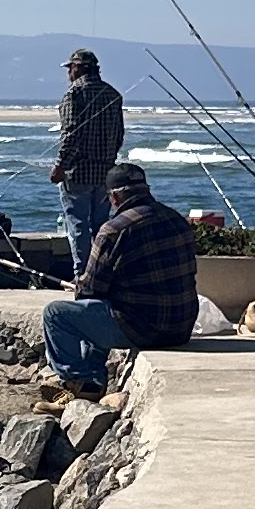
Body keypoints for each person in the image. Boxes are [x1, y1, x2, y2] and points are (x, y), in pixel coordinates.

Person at [41, 160, 197, 397]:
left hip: (143, 329)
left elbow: (89, 288)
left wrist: (79, 284)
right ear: (147, 190)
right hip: (181, 326)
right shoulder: (177, 220)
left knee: (56, 314)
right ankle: (94, 380)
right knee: (102, 308)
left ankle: (78, 380)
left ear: (112, 198)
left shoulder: (114, 229)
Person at [49, 49, 125, 277]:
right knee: (103, 226)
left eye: (70, 68)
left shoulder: (75, 94)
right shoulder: (113, 94)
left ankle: (82, 273)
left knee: (78, 226)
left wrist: (61, 165)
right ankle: (102, 271)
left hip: (78, 172)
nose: (69, 74)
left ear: (78, 68)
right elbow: (119, 134)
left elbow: (71, 133)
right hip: (105, 172)